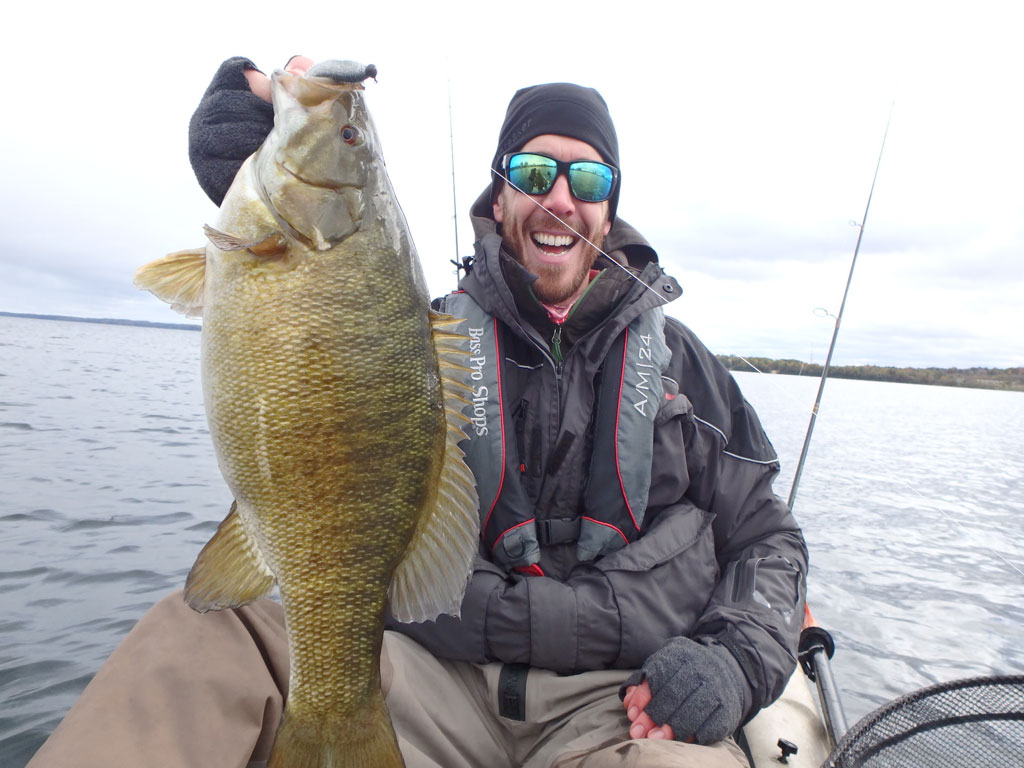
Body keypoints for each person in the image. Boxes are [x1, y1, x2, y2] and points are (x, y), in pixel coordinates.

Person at [28, 56, 808, 768]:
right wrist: (248, 185)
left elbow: (769, 537)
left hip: (616, 708)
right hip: (423, 678)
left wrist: (735, 656)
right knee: (191, 642)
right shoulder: (414, 335)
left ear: (611, 209)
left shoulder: (685, 370)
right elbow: (319, 323)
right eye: (534, 171)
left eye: (589, 180)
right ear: (500, 191)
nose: (560, 199)